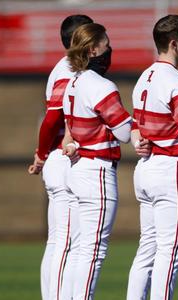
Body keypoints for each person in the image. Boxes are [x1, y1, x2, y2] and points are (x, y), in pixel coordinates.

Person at [126, 15, 178, 300]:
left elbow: (135, 124)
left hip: (145, 169)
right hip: (170, 169)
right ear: (174, 43)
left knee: (147, 249)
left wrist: (139, 141)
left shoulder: (144, 77)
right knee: (170, 253)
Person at [61, 22, 132, 300]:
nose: (109, 48)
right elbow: (125, 133)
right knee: (93, 251)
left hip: (78, 170)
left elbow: (72, 132)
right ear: (93, 49)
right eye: (106, 43)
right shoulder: (101, 86)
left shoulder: (73, 83)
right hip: (97, 172)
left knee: (80, 249)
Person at [28, 14, 93, 300]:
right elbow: (53, 117)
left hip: (59, 157)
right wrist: (42, 153)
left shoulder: (71, 67)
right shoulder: (69, 68)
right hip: (61, 157)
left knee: (61, 242)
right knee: (65, 243)